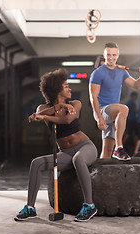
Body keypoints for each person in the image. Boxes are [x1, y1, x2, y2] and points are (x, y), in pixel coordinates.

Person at [14, 68, 98, 222]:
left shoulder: (75, 104)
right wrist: (56, 108)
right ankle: (30, 208)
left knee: (78, 159)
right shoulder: (42, 109)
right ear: (56, 89)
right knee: (36, 163)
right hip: (65, 153)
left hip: (85, 147)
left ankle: (89, 206)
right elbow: (44, 112)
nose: (69, 88)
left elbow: (66, 120)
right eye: (66, 86)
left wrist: (52, 113)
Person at [89, 42, 140, 160]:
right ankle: (119, 148)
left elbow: (136, 86)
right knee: (124, 108)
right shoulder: (98, 73)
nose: (111, 58)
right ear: (104, 55)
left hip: (115, 115)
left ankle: (100, 177)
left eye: (114, 55)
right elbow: (93, 96)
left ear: (118, 55)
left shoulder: (121, 71)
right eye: (108, 55)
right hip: (102, 111)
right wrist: (99, 118)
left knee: (106, 152)